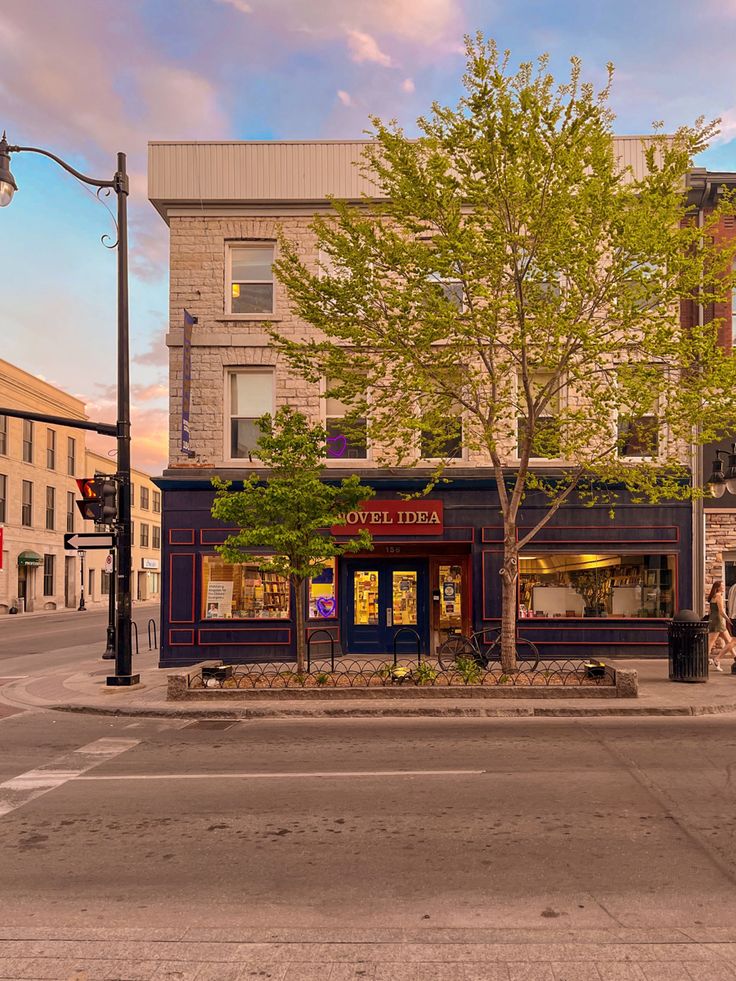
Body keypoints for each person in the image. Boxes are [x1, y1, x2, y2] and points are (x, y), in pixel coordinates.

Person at [707, 581, 736, 672]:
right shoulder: (719, 596)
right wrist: (728, 620)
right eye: (722, 586)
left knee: (729, 641)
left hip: (715, 620)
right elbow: (721, 611)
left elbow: (709, 612)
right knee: (711, 642)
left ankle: (735, 657)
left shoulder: (713, 596)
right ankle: (704, 659)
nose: (723, 587)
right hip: (718, 622)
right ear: (718, 587)